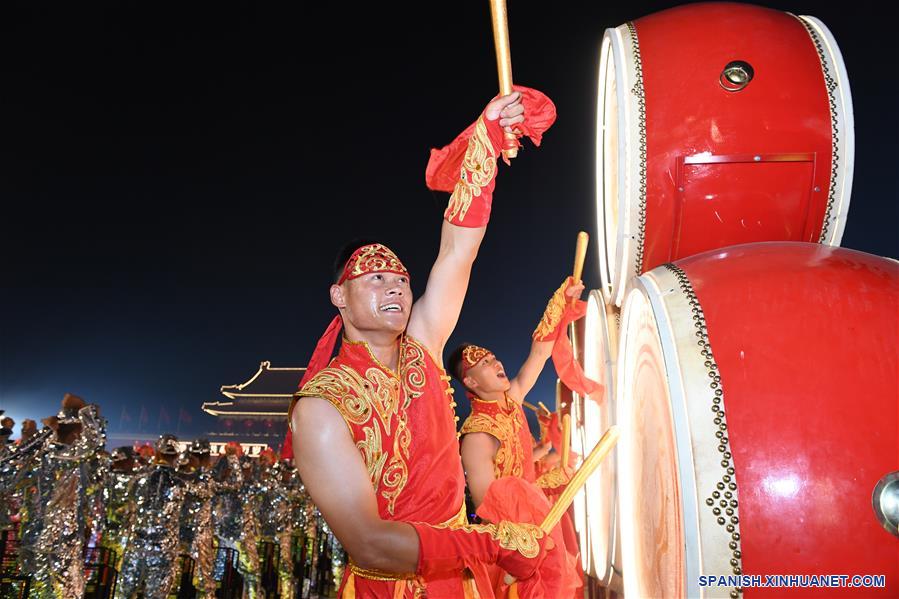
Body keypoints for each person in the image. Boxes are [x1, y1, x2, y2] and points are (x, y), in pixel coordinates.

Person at [288, 88, 557, 597]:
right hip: (389, 586)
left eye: (401, 279)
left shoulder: (425, 347)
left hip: (459, 579)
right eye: (374, 278)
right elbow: (369, 543)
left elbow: (458, 251)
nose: (393, 286)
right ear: (337, 297)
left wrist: (487, 138)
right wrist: (489, 546)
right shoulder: (322, 407)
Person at [448, 278, 584, 598]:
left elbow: (538, 354)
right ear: (469, 381)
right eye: (484, 363)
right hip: (512, 559)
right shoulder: (478, 434)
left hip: (539, 529)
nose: (495, 362)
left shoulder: (512, 399)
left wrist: (560, 302)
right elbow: (488, 506)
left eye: (493, 357)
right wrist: (526, 547)